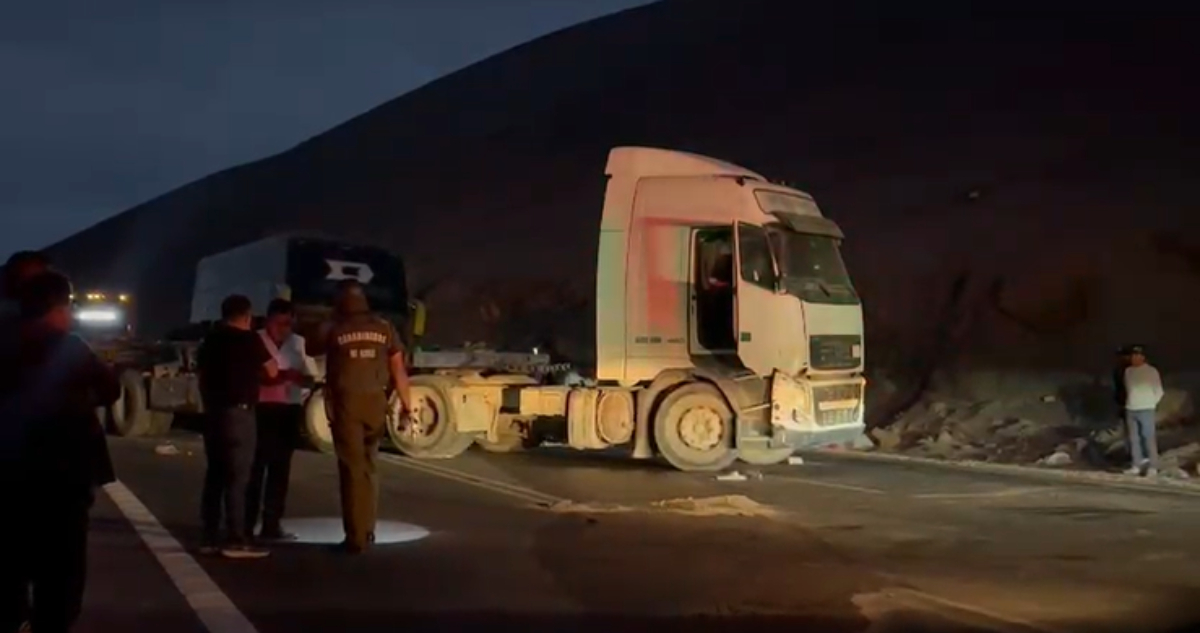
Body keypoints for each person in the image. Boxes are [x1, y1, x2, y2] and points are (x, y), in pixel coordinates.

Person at [0, 270, 119, 633]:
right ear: (58, 307)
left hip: (8, 473)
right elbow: (109, 389)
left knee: (10, 563)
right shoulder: (68, 346)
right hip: (62, 476)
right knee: (60, 573)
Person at [325, 279, 411, 554]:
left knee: (352, 469)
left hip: (347, 404)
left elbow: (313, 346)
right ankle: (368, 528)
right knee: (370, 466)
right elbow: (399, 371)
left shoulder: (336, 328)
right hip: (376, 403)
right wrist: (408, 407)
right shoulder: (384, 328)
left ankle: (355, 537)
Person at [196, 294, 278, 559]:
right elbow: (272, 371)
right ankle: (236, 536)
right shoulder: (250, 339)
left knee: (215, 474)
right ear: (246, 316)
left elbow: (201, 372)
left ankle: (209, 535)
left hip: (212, 413)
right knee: (238, 477)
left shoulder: (210, 340)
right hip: (239, 414)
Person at [246, 298, 314, 542]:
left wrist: (299, 378)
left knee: (280, 469)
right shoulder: (255, 339)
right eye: (279, 323)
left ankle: (271, 524)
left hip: (288, 408)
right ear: (269, 320)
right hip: (262, 408)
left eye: (288, 324)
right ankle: (246, 523)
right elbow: (252, 375)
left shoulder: (298, 343)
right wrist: (281, 376)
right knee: (255, 467)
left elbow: (309, 376)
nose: (283, 329)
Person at [1123, 344, 1164, 477]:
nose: (1134, 358)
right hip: (1131, 408)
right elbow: (1128, 387)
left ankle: (1153, 466)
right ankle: (1136, 464)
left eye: (1137, 356)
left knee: (1148, 437)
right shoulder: (1128, 371)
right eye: (1133, 356)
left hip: (1146, 408)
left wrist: (1151, 403)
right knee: (1134, 438)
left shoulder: (1151, 371)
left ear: (1143, 357)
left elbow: (1159, 391)